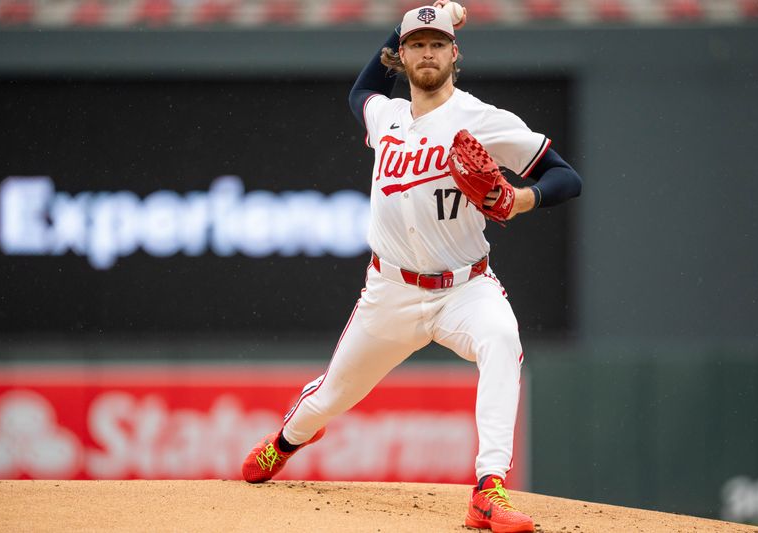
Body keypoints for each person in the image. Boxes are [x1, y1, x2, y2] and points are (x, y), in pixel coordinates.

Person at [242, 3, 582, 531]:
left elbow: (566, 177)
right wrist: (414, 17)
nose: (428, 53)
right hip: (391, 292)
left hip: (464, 287)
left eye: (437, 43)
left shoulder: (482, 119)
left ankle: (488, 489)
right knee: (331, 395)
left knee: (502, 339)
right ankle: (286, 441)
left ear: (454, 53)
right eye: (417, 44)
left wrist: (520, 198)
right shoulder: (387, 115)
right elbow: (359, 90)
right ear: (400, 55)